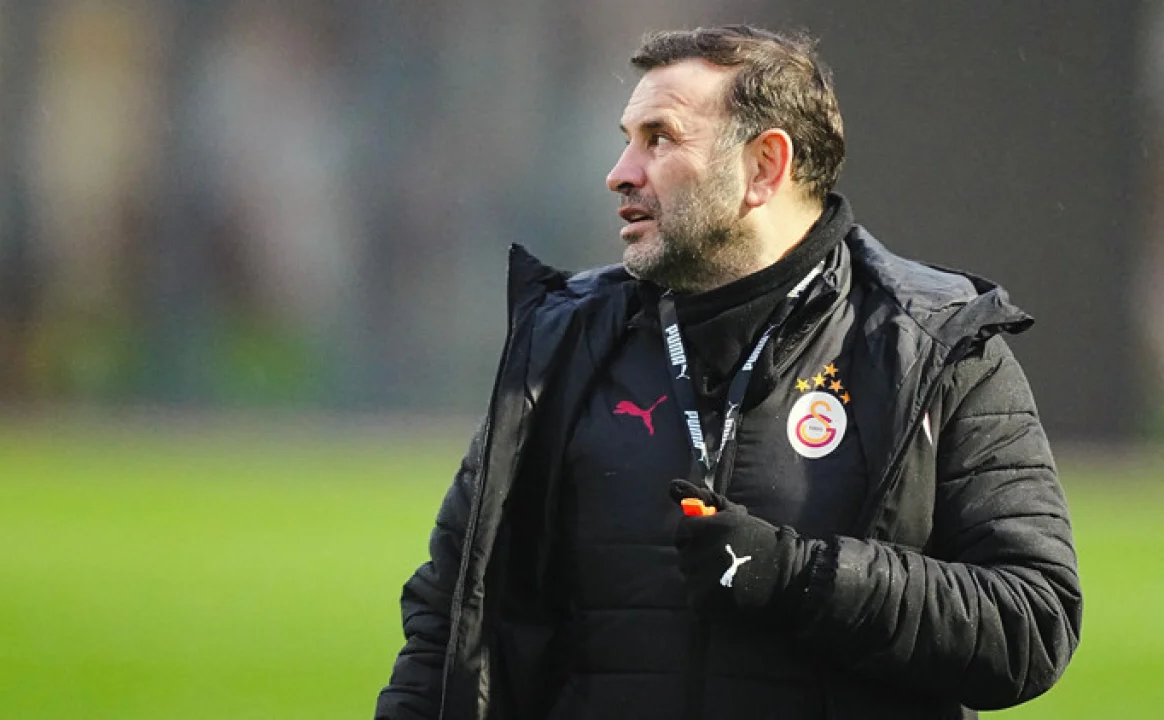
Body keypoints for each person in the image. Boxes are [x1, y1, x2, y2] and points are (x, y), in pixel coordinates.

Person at [376, 25, 1081, 720]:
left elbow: (1031, 622)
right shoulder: (561, 343)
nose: (620, 172)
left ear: (765, 167)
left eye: (659, 139)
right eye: (629, 139)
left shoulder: (934, 345)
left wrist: (800, 578)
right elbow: (450, 617)